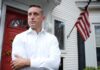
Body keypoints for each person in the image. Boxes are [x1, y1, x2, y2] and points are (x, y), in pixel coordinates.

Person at [11, 4, 61, 70]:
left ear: (43, 18)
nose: (32, 17)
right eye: (29, 14)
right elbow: (18, 64)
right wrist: (46, 63)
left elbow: (55, 64)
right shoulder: (19, 38)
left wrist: (27, 62)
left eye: (35, 14)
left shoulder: (52, 39)